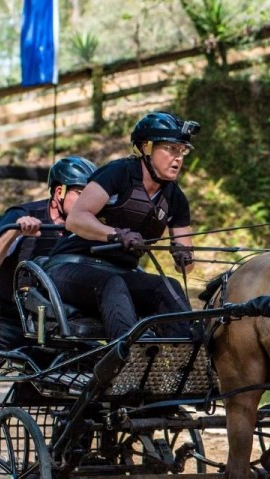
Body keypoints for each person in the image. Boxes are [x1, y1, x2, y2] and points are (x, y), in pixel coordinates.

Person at [44, 111, 199, 341]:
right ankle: (130, 357)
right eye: (170, 148)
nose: (178, 158)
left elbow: (186, 266)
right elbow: (76, 219)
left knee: (168, 287)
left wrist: (184, 257)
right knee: (112, 283)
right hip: (69, 266)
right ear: (146, 148)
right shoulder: (118, 174)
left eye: (182, 150)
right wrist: (115, 235)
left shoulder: (175, 198)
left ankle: (187, 360)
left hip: (122, 273)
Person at [0, 156, 98, 371]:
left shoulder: (89, 227)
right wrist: (15, 232)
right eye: (81, 194)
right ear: (59, 191)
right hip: (1, 317)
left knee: (98, 360)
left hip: (53, 324)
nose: (88, 202)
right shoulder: (22, 214)